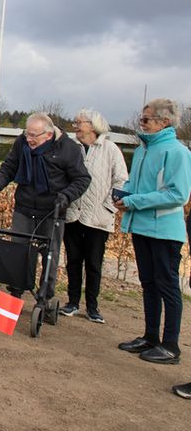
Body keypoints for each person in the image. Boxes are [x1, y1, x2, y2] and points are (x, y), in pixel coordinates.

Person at [115, 98, 191, 366]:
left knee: (167, 286)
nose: (141, 123)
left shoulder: (178, 152)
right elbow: (135, 184)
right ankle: (150, 336)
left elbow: (178, 194)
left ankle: (170, 345)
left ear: (164, 122)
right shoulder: (142, 151)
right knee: (148, 283)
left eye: (146, 119)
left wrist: (134, 201)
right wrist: (123, 194)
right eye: (142, 118)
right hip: (142, 226)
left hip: (165, 231)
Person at [0, 112, 91, 298]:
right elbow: (9, 167)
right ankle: (15, 292)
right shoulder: (22, 143)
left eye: (33, 135)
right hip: (24, 207)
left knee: (50, 255)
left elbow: (82, 179)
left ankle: (45, 296)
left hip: (52, 210)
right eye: (27, 133)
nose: (29, 139)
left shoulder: (68, 149)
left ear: (49, 135)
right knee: (19, 251)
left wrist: (66, 195)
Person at [60, 108, 128, 323]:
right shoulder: (72, 147)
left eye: (79, 122)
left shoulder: (110, 149)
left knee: (93, 264)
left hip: (98, 217)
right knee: (73, 261)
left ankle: (92, 306)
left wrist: (109, 206)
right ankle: (72, 302)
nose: (76, 126)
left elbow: (121, 180)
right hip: (73, 214)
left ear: (92, 125)